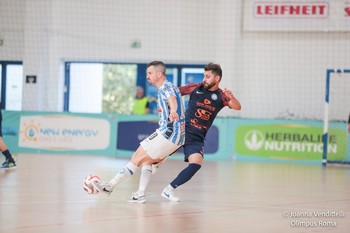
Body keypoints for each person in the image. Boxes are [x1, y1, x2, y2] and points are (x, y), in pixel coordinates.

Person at [131, 62, 241, 202]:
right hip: (181, 130)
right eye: (204, 76)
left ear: (217, 78)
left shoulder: (221, 96)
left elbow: (237, 107)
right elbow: (174, 93)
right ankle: (140, 190)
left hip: (198, 136)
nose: (204, 79)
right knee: (149, 159)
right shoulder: (196, 87)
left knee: (196, 164)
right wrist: (170, 110)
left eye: (208, 77)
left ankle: (168, 190)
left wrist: (232, 97)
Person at [92, 61, 186, 203]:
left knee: (136, 157)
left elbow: (172, 99)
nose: (147, 76)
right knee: (146, 161)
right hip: (177, 137)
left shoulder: (166, 87)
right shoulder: (169, 86)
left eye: (150, 73)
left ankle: (110, 186)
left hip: (169, 132)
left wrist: (173, 110)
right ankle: (140, 194)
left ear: (159, 74)